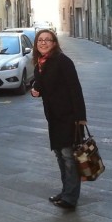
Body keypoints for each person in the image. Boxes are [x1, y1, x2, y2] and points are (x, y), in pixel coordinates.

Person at [30, 29, 87, 211]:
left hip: (68, 117)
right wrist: (35, 90)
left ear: (55, 43)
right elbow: (40, 85)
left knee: (69, 157)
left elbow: (75, 90)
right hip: (54, 117)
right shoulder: (40, 63)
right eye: (40, 40)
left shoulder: (63, 62)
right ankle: (66, 191)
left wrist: (80, 118)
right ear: (36, 44)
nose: (43, 43)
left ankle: (70, 198)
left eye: (48, 40)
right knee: (60, 155)